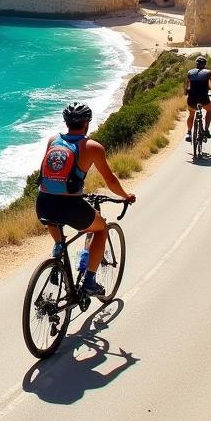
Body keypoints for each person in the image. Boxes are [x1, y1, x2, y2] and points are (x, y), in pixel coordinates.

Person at [36, 102, 135, 298]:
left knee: (55, 221)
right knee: (101, 228)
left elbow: (46, 175)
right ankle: (90, 281)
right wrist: (125, 196)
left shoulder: (52, 140)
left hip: (43, 203)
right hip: (70, 206)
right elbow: (110, 180)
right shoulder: (92, 147)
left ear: (66, 122)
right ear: (87, 123)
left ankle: (58, 249)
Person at [185, 54, 211, 141]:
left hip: (192, 99)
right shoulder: (208, 73)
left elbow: (186, 87)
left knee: (191, 114)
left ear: (196, 64)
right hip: (203, 98)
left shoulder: (189, 72)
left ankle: (189, 133)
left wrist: (186, 94)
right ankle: (206, 130)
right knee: (209, 110)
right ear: (204, 64)